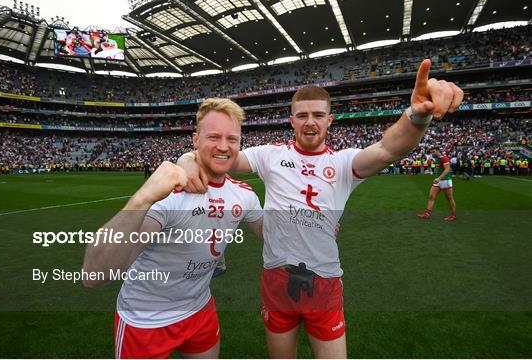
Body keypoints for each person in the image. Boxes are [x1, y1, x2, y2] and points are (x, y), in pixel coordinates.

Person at [178, 59, 464, 358]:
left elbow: (388, 149)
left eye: (318, 115)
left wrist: (416, 117)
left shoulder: (343, 162)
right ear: (291, 120)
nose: (310, 122)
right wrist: (188, 158)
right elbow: (218, 157)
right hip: (276, 278)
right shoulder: (269, 155)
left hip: (324, 281)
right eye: (302, 115)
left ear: (330, 120)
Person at [82, 98, 263, 358]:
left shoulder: (244, 195)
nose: (224, 146)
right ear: (196, 140)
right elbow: (93, 275)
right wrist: (142, 198)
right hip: (146, 319)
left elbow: (273, 234)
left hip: (200, 310)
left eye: (232, 139)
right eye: (213, 137)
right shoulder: (171, 196)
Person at [417, 147, 457, 221]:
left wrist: (439, 178)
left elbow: (447, 169)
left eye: (434, 152)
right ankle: (427, 214)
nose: (432, 153)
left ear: (438, 151)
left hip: (445, 181)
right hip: (438, 181)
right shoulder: (437, 159)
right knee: (431, 196)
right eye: (431, 152)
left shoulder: (444, 158)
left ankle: (453, 214)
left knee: (449, 198)